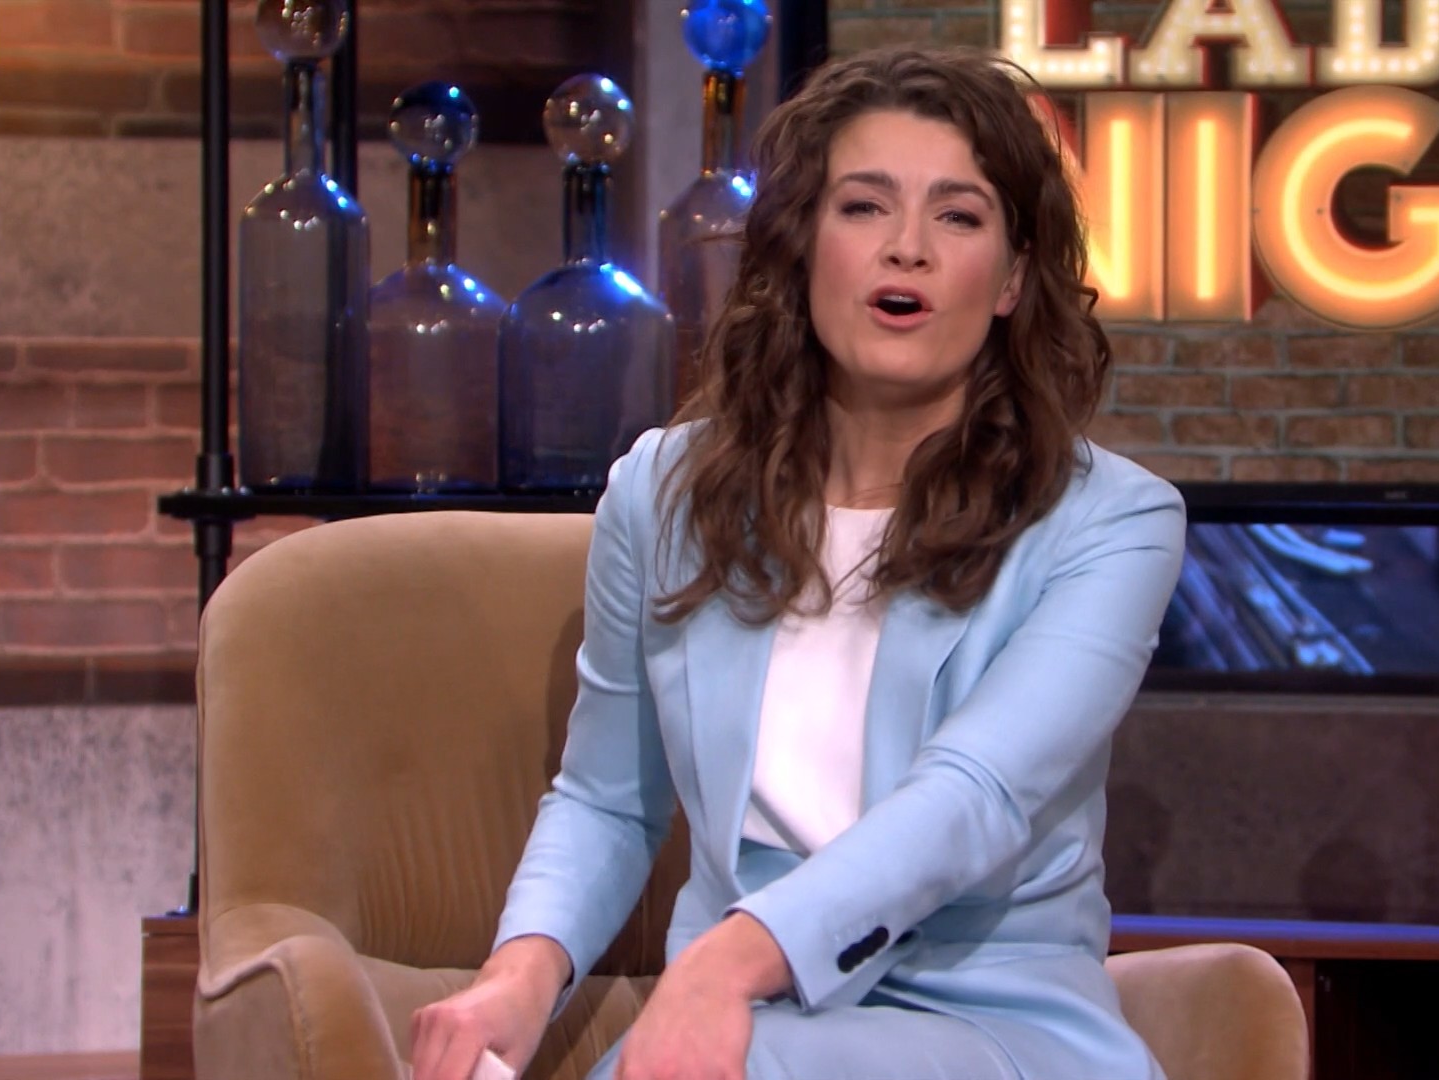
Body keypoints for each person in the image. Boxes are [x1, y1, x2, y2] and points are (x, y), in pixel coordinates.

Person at [411, 44, 1187, 1080]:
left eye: (958, 217)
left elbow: (974, 797)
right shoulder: (663, 493)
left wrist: (722, 967)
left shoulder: (1109, 522)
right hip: (747, 1023)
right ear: (803, 245)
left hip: (993, 1025)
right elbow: (609, 799)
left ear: (1011, 278)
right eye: (864, 207)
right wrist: (519, 975)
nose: (907, 248)